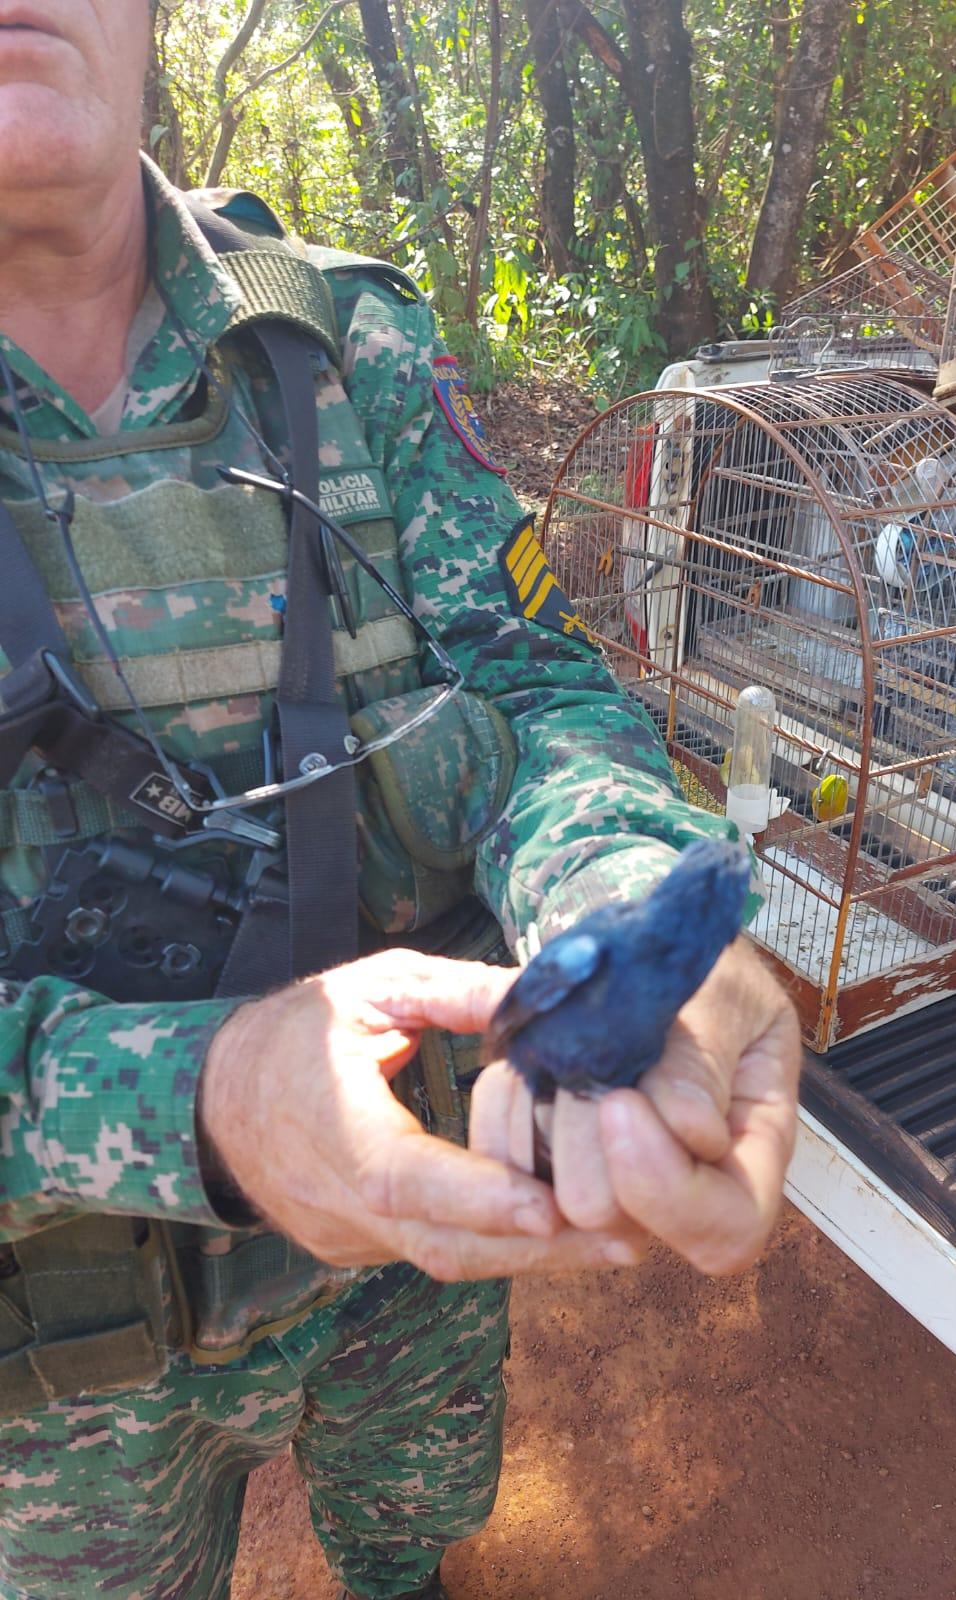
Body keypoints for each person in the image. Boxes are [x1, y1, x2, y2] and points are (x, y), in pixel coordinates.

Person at [0, 4, 801, 1599]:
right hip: (63, 1378)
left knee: (412, 1549)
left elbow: (531, 684)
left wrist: (622, 908)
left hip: (425, 1271)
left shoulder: (343, 341)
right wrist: (208, 1094)